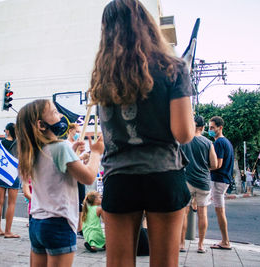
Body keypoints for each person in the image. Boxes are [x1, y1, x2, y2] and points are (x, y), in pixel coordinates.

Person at [87, 1, 195, 266]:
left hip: (120, 179)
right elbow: (183, 134)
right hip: (163, 174)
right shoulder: (173, 67)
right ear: (147, 24)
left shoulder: (102, 76)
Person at [16, 99, 104, 267]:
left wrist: (74, 155)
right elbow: (88, 177)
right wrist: (96, 154)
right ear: (41, 125)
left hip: (37, 223)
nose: (61, 115)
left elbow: (54, 171)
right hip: (58, 223)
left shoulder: (33, 151)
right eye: (55, 112)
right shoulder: (60, 147)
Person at [179, 116, 218, 253]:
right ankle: (201, 245)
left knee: (183, 213)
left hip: (186, 181)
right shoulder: (208, 143)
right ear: (202, 128)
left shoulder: (183, 142)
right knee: (203, 214)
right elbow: (214, 164)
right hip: (203, 182)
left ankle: (182, 244)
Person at [208, 116, 234, 250]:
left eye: (212, 127)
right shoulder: (227, 142)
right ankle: (225, 240)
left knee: (220, 211)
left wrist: (205, 167)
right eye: (209, 127)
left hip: (219, 180)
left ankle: (225, 241)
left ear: (220, 128)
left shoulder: (218, 143)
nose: (210, 130)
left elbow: (217, 164)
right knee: (220, 210)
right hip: (224, 180)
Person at [0, 122, 21, 238]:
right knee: (11, 203)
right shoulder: (19, 144)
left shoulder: (1, 142)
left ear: (8, 131)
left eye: (5, 130)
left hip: (1, 173)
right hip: (13, 174)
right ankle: (8, 231)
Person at [66, 123, 88, 238]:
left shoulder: (80, 145)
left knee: (81, 202)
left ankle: (80, 227)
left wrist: (86, 159)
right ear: (70, 131)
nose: (78, 134)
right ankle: (75, 227)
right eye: (77, 131)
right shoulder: (65, 144)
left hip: (79, 177)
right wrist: (80, 158)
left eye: (80, 132)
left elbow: (82, 164)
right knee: (71, 202)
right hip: (69, 177)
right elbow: (69, 161)